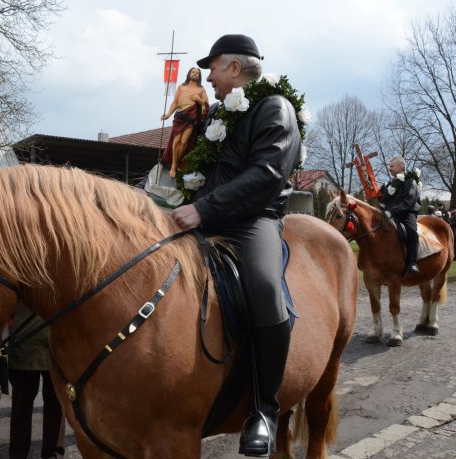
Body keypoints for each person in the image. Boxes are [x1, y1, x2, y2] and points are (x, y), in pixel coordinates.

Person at [169, 34, 301, 457]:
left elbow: (266, 174)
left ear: (234, 68)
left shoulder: (274, 108)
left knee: (264, 287)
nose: (207, 76)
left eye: (213, 66)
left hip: (252, 221)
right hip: (208, 215)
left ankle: (263, 411)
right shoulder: (217, 116)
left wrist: (203, 209)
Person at [8, 303, 66, 459]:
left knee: (53, 405)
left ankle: (43, 454)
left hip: (47, 338)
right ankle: (47, 455)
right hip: (27, 339)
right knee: (26, 405)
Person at [161, 67, 209, 177]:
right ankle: (173, 166)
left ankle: (177, 164)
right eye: (193, 72)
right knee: (176, 140)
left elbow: (205, 105)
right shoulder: (181, 87)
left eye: (197, 73)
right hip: (180, 117)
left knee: (183, 142)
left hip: (191, 118)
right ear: (189, 74)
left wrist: (198, 99)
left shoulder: (201, 90)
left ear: (199, 76)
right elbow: (175, 103)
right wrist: (168, 114)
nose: (195, 74)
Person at [380, 156, 421, 274]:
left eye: (392, 166)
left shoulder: (410, 181)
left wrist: (391, 211)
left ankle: (413, 263)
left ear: (401, 167)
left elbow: (409, 202)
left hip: (406, 213)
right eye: (390, 166)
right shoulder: (390, 183)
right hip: (389, 213)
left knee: (411, 231)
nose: (389, 169)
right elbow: (381, 197)